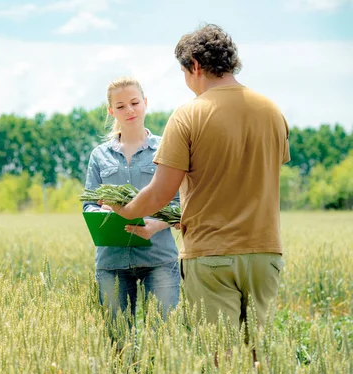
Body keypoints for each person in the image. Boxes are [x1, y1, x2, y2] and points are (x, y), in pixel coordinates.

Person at [104, 24, 290, 331]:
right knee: (259, 354)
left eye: (185, 73)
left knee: (221, 356)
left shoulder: (189, 115)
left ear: (195, 66)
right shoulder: (272, 111)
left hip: (211, 254)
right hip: (265, 252)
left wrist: (125, 210)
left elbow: (160, 193)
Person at [83, 76, 180, 323]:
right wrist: (104, 212)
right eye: (121, 106)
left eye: (135, 102)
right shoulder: (99, 155)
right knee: (117, 341)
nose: (129, 110)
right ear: (111, 110)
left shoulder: (167, 149)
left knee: (164, 338)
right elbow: (89, 205)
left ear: (145, 103)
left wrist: (155, 225)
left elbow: (181, 201)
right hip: (112, 261)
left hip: (159, 258)